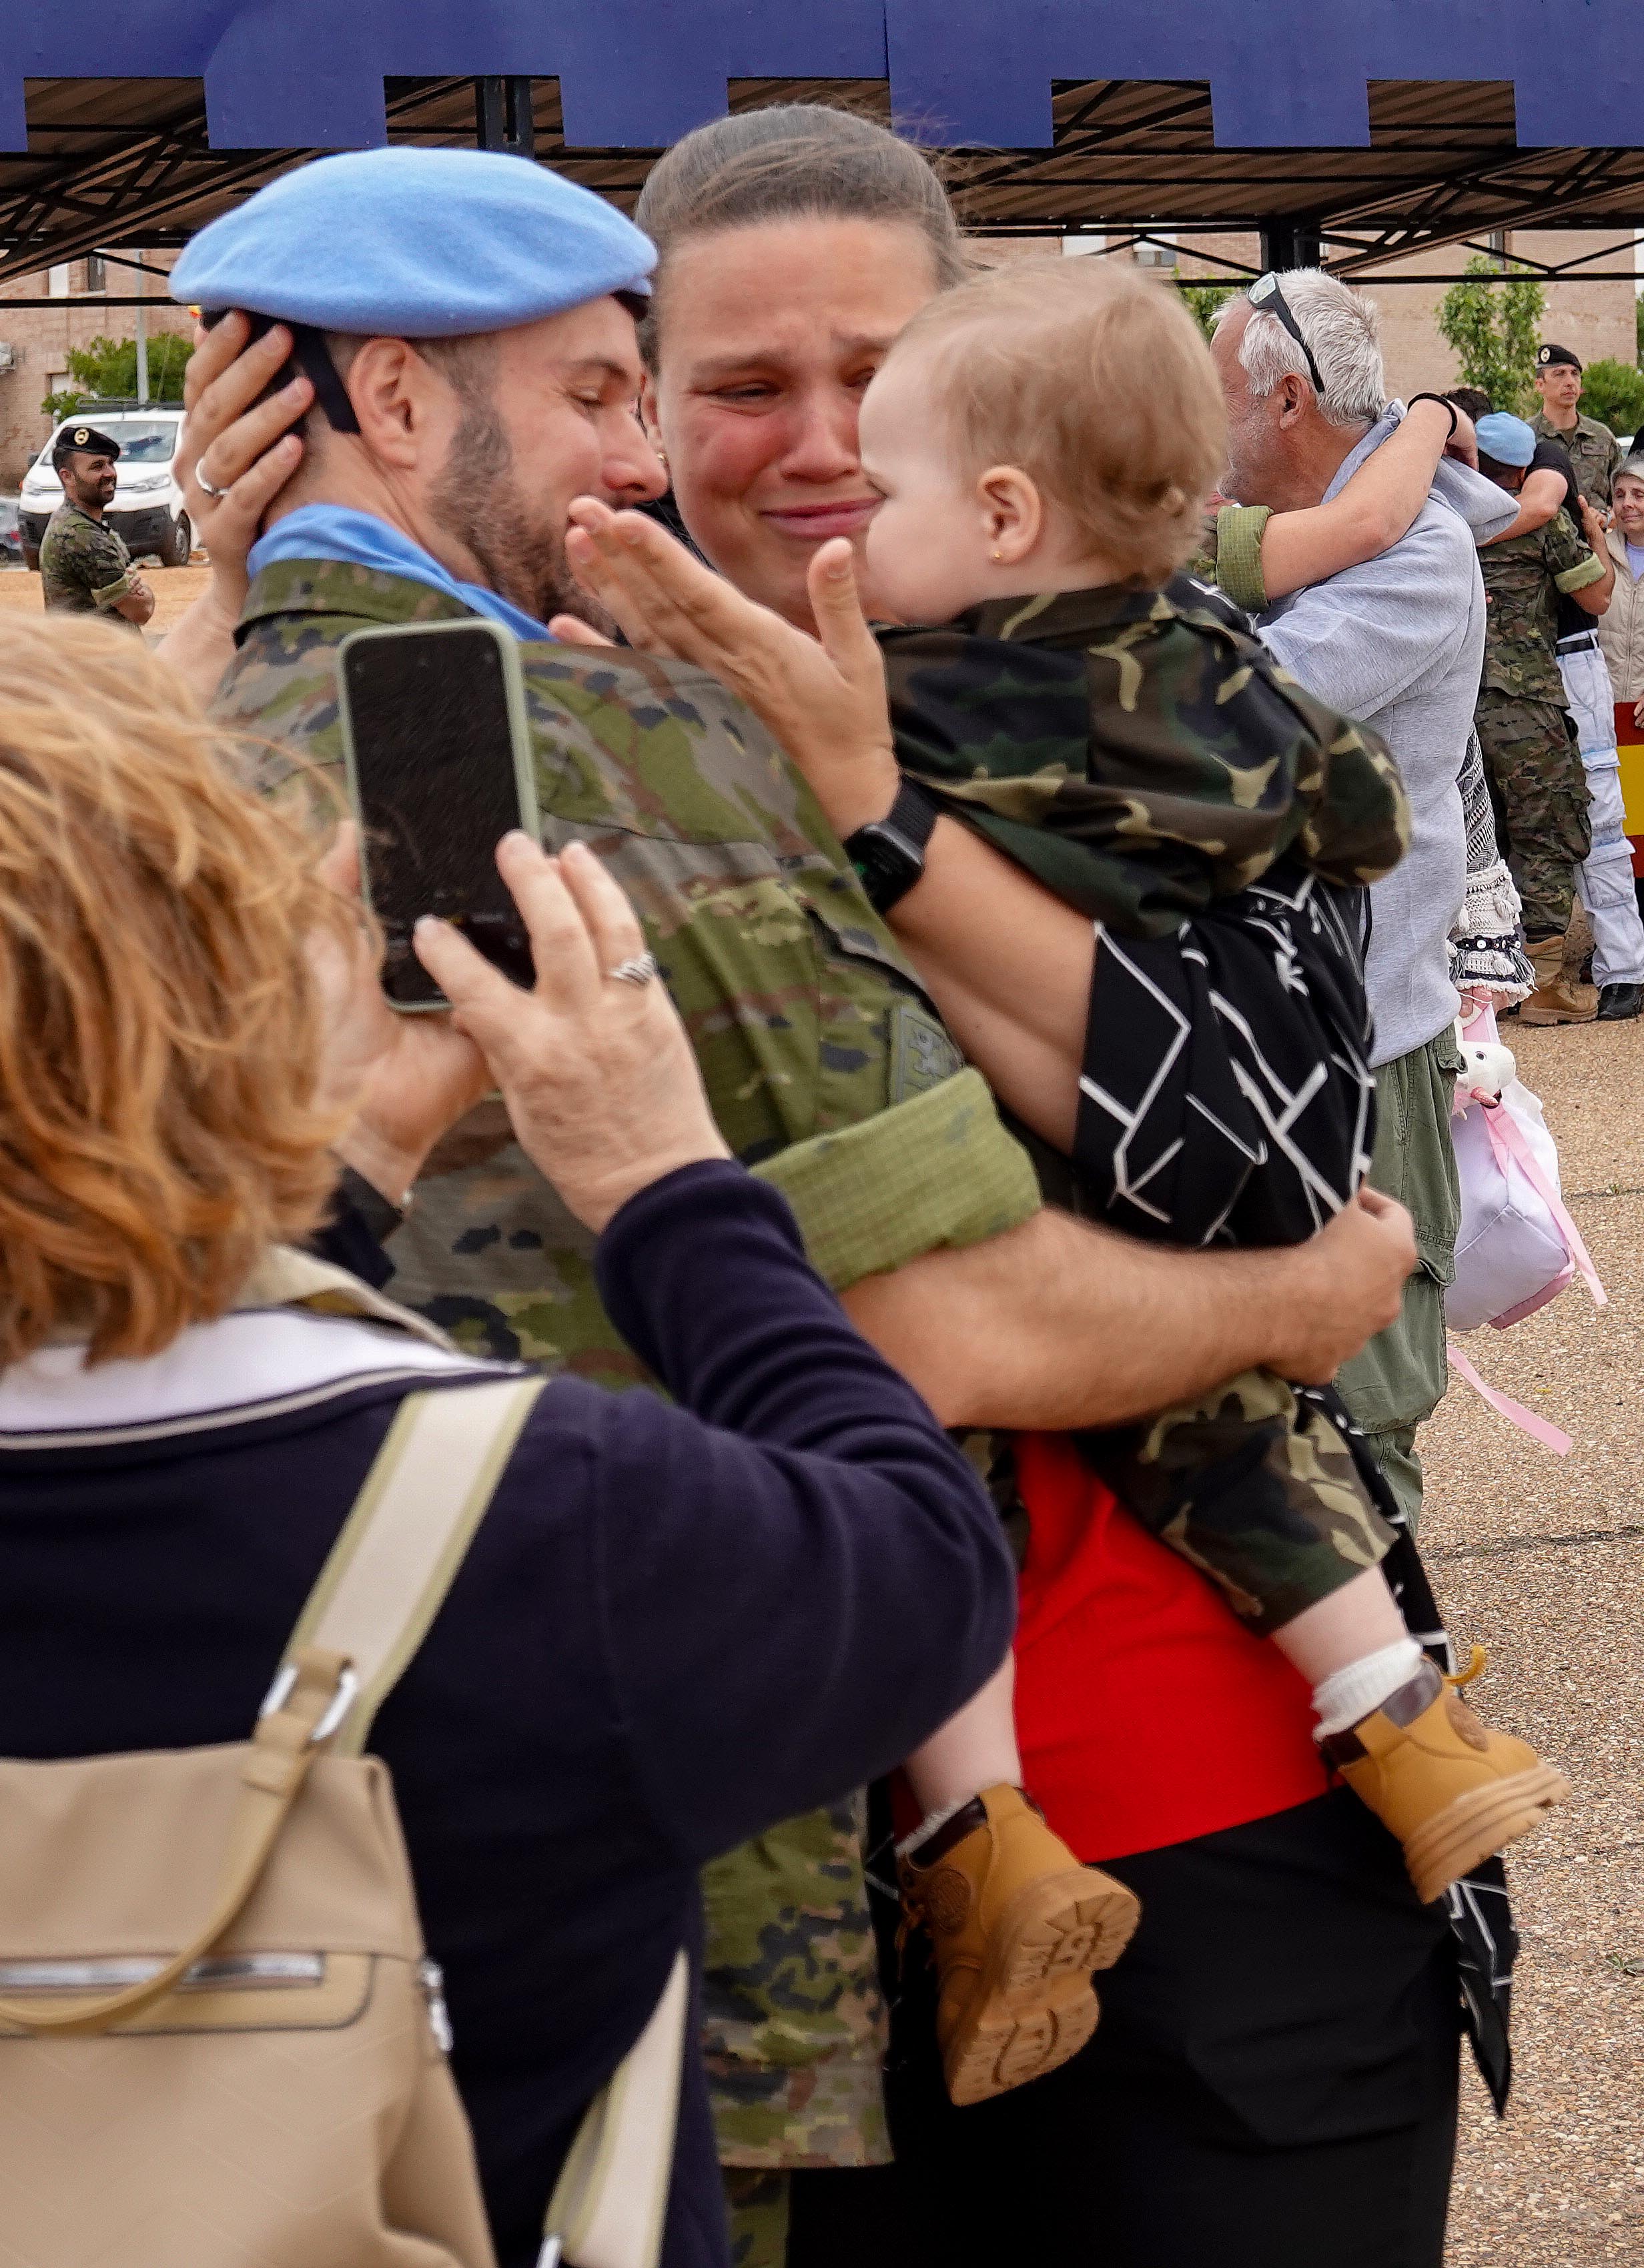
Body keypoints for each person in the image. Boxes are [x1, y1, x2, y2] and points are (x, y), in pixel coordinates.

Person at [158, 130, 1420, 2265]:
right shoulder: (576, 725)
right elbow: (939, 1316)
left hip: (1146, 1796)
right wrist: (1304, 1298)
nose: (807, 442)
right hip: (737, 1849)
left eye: (887, 375)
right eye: (691, 385)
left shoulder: (1119, 670)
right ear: (391, 399)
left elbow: (1271, 1099)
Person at [0, 612, 1023, 2268]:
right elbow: (920, 1568)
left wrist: (347, 1194)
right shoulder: (554, 1524)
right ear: (206, 989)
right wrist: (667, 1176)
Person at [1471, 410, 1613, 1021]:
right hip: (1526, 706)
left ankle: (1484, 984)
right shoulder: (1542, 523)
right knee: (1548, 829)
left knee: (1481, 837)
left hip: (1459, 707)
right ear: (1525, 468)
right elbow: (1597, 595)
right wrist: (1594, 531)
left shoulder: (1443, 520)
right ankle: (1546, 983)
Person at [37, 422, 155, 628]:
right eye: (97, 466)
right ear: (67, 476)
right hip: (98, 657)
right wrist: (144, 591)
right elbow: (141, 611)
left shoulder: (78, 524)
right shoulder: (79, 535)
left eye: (110, 463)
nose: (110, 473)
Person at [1530, 340, 1623, 509]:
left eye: (1575, 374)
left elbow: (1623, 497)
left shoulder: (1602, 436)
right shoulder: (1527, 437)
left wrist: (1607, 518)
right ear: (1540, 385)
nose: (1570, 382)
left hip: (1597, 534)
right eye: (1560, 374)